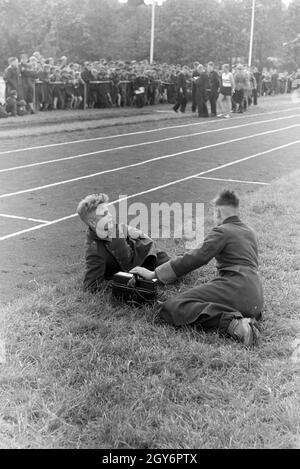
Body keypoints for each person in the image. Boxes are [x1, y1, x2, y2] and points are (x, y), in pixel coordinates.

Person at [131, 190, 263, 348]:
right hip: (256, 299)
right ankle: (243, 318)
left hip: (237, 289)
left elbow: (195, 258)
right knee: (205, 297)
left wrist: (155, 274)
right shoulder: (250, 231)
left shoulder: (222, 231)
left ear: (218, 212)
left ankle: (237, 326)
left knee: (171, 307)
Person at [77, 193, 169, 293]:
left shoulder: (110, 226)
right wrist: (121, 283)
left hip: (143, 253)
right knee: (154, 283)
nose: (110, 215)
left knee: (173, 266)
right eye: (104, 214)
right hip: (133, 270)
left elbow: (124, 228)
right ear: (93, 223)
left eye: (108, 212)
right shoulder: (94, 250)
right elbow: (90, 286)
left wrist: (141, 235)